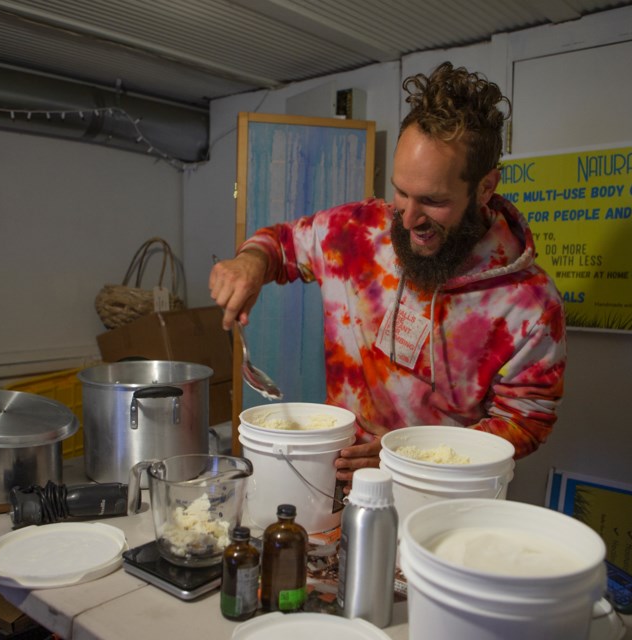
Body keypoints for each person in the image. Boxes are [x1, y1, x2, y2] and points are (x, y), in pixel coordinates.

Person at [209, 62, 565, 485]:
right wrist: (250, 262)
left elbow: (526, 423)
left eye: (433, 200)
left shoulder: (530, 304)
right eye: (400, 191)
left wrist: (411, 458)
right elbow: (283, 243)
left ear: (485, 188)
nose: (409, 218)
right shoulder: (357, 232)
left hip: (438, 501)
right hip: (337, 488)